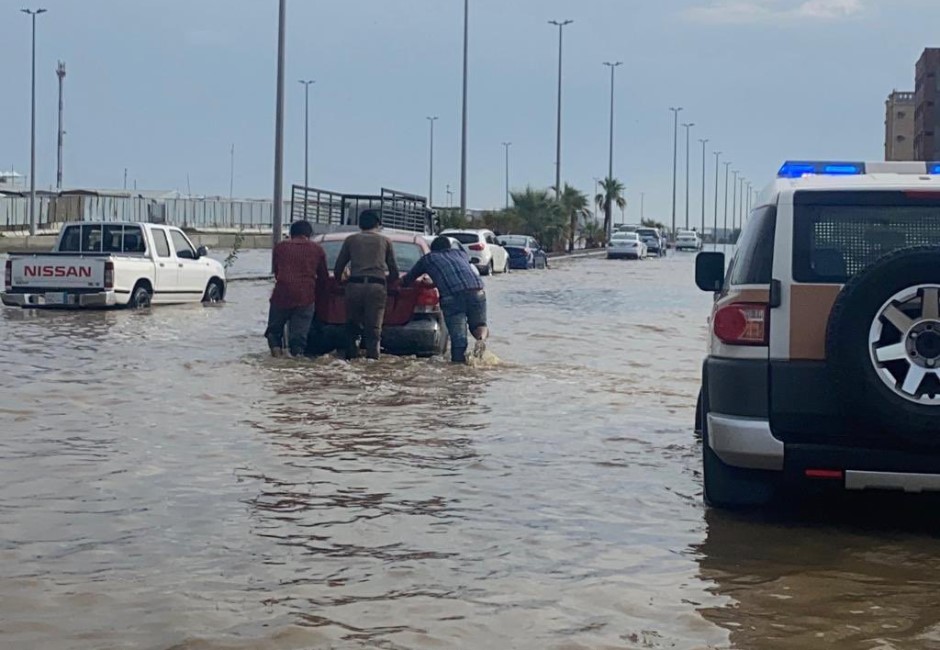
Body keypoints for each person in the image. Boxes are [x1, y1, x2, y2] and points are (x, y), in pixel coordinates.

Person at [401, 235, 488, 363]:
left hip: (452, 296)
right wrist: (435, 281)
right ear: (449, 247)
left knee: (458, 338)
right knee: (479, 325)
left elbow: (408, 280)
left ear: (433, 249)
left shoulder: (428, 259)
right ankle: (481, 340)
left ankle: (458, 368)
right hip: (477, 290)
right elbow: (455, 274)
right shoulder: (460, 254)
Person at [333, 210, 399, 360]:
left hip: (354, 286)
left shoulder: (351, 240)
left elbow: (338, 267)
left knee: (352, 326)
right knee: (374, 329)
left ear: (359, 224)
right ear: (378, 224)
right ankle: (373, 361)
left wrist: (340, 281)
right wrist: (386, 281)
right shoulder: (385, 241)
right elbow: (394, 271)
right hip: (377, 287)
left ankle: (351, 358)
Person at [264, 219, 328, 357]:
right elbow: (323, 277)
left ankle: (275, 355)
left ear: (291, 234)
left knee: (274, 331)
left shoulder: (280, 247)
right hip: (305, 296)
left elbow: (277, 272)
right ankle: (296, 362)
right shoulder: (317, 249)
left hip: (281, 294)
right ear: (309, 234)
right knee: (299, 337)